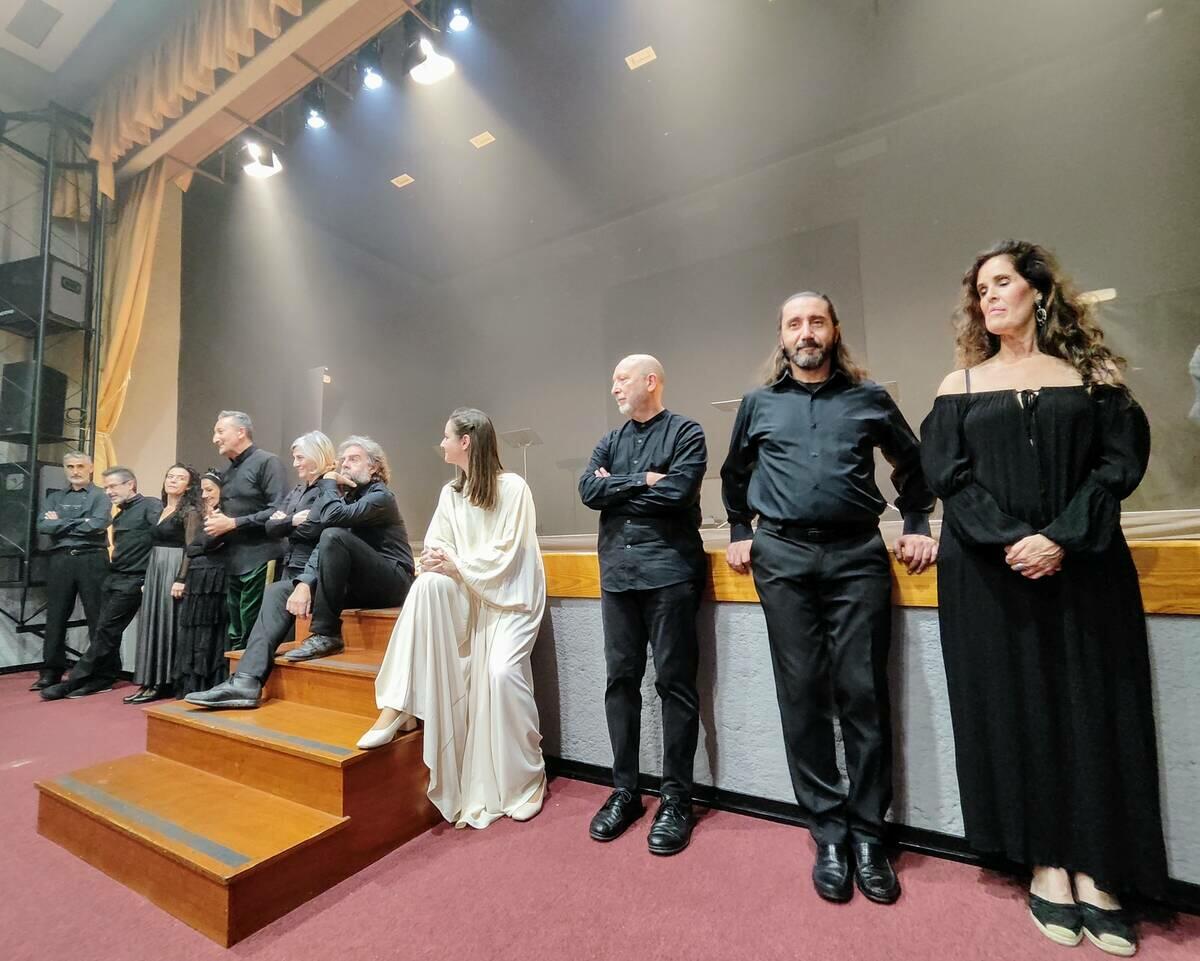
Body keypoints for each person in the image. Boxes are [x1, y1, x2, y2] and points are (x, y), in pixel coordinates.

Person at [920, 240, 1167, 954]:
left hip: (1086, 565)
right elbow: (951, 477)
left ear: (1038, 290)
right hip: (990, 578)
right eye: (980, 289)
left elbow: (1118, 466)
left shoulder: (1094, 377)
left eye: (1002, 282)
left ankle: (1098, 867)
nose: (988, 296)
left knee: (1094, 708)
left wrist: (1061, 536)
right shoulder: (959, 384)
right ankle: (1046, 861)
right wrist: (1012, 539)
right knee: (1015, 708)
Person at [721, 291, 937, 904]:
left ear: (834, 330)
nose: (806, 331)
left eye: (816, 321)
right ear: (782, 336)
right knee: (803, 696)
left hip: (855, 556)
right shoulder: (758, 404)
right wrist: (740, 531)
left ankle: (870, 835)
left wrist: (916, 521)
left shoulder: (868, 399)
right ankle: (830, 836)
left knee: (864, 693)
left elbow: (911, 462)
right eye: (794, 322)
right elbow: (734, 474)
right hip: (782, 557)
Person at [358, 409, 547, 831]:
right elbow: (438, 546)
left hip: (509, 602)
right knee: (425, 586)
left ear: (467, 441)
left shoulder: (513, 488)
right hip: (469, 595)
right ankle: (398, 706)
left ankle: (528, 779)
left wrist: (456, 563)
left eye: (446, 437)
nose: (440, 444)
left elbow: (508, 556)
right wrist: (433, 560)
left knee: (500, 675)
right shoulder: (451, 494)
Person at [578, 355, 708, 855]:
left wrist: (621, 487)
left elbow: (678, 493)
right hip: (617, 579)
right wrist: (641, 481)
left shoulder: (686, 432)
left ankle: (677, 800)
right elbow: (589, 490)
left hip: (671, 576)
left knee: (675, 685)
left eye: (622, 379)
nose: (614, 388)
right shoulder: (608, 441)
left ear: (650, 381)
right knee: (620, 683)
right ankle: (626, 792)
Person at [187, 435, 413, 708]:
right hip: (358, 585)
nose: (345, 465)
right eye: (343, 460)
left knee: (332, 534)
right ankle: (246, 681)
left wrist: (329, 480)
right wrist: (304, 582)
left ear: (374, 467)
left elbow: (331, 525)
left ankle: (326, 633)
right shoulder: (347, 499)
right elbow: (323, 543)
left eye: (354, 459)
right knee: (278, 591)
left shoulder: (381, 496)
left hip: (393, 582)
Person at [41, 468, 163, 700]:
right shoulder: (119, 514)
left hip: (134, 579)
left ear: (131, 484)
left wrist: (151, 577)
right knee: (104, 630)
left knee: (105, 631)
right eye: (106, 487)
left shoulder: (150, 505)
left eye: (113, 486)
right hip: (114, 575)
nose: (108, 492)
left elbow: (162, 537)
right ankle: (102, 678)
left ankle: (74, 680)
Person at [203, 410, 287, 650]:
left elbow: (279, 510)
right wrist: (218, 520)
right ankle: (236, 682)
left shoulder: (267, 462)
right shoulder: (228, 471)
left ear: (241, 432)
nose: (215, 439)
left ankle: (252, 683)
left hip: (262, 557)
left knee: (254, 629)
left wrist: (233, 523)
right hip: (235, 560)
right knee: (237, 631)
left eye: (220, 431)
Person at [31, 451, 110, 691]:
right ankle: (51, 671)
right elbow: (43, 525)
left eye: (80, 466)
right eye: (70, 467)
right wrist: (80, 522)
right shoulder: (55, 497)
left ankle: (100, 672)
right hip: (60, 560)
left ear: (91, 468)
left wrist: (61, 522)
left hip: (92, 559)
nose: (75, 471)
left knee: (98, 617)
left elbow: (97, 525)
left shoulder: (101, 495)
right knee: (55, 616)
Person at [125, 464, 200, 704]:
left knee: (169, 623)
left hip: (174, 566)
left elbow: (191, 548)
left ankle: (164, 681)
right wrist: (148, 577)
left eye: (180, 478)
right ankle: (149, 680)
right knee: (153, 622)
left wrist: (181, 578)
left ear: (188, 485)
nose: (173, 481)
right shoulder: (160, 508)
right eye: (170, 476)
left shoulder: (189, 511)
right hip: (156, 567)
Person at [173, 471, 230, 696]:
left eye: (210, 490)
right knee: (194, 632)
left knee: (214, 632)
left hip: (217, 579)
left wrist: (200, 547)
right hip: (197, 580)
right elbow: (193, 547)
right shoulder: (197, 513)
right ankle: (192, 685)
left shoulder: (228, 514)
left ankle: (212, 684)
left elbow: (200, 545)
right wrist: (200, 547)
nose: (205, 495)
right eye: (203, 490)